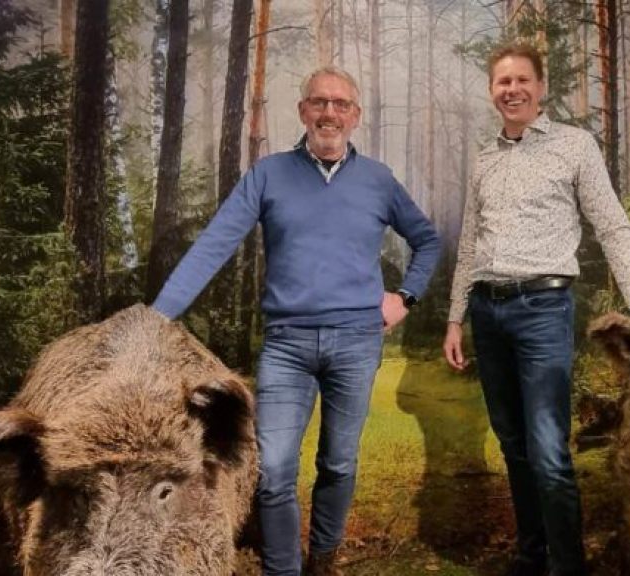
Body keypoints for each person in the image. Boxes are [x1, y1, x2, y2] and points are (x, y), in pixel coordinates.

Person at [152, 66, 441, 576]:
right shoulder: (268, 174)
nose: (329, 112)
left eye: (340, 104)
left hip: (356, 342)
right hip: (287, 345)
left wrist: (406, 297)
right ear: (303, 110)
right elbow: (214, 245)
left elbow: (428, 240)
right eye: (319, 102)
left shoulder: (378, 180)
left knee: (339, 464)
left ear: (355, 116)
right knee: (275, 469)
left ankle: (323, 562)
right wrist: (157, 318)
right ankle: (283, 570)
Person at [442, 43, 630, 576]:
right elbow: (469, 243)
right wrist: (455, 317)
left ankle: (566, 564)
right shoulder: (485, 158)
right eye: (501, 82)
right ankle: (530, 555)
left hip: (542, 308)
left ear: (541, 86)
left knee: (549, 452)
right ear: (492, 92)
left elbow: (611, 225)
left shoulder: (574, 146)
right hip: (488, 314)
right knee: (512, 444)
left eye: (521, 80)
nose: (511, 90)